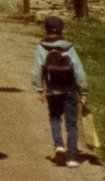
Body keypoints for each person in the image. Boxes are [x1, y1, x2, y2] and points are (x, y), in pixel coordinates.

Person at [32, 17, 89, 166]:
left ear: (45, 30)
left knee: (55, 117)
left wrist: (39, 89)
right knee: (71, 123)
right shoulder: (69, 48)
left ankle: (59, 146)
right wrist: (83, 91)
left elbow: (37, 70)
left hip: (52, 90)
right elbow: (79, 71)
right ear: (61, 31)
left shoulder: (41, 48)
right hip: (70, 90)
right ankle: (71, 157)